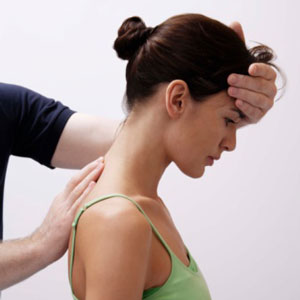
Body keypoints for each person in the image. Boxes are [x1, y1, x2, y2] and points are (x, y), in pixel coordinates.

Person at [0, 19, 277, 292]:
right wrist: (38, 245)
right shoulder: (119, 221)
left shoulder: (146, 208)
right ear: (178, 98)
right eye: (230, 123)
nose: (232, 144)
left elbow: (136, 137)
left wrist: (233, 99)